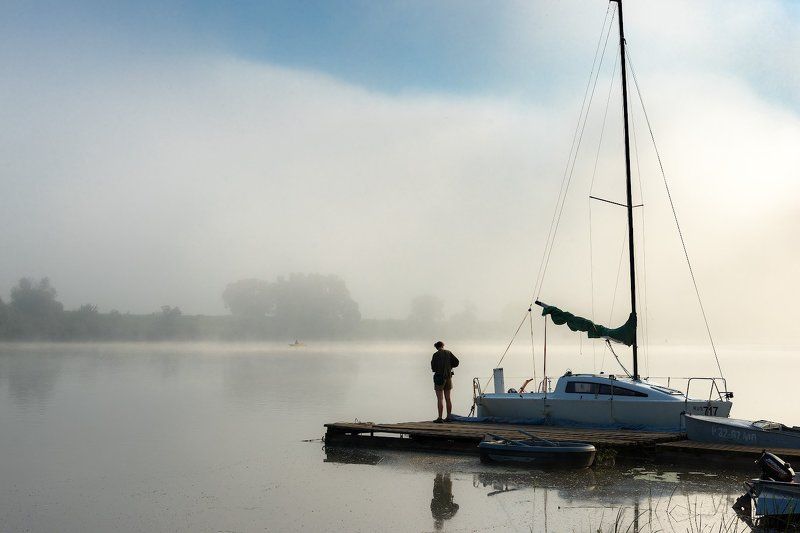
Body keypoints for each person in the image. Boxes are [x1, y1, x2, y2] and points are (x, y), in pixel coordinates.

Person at [430, 340, 459, 423]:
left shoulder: (435, 355)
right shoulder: (449, 353)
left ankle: (440, 418)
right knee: (448, 398)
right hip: (449, 377)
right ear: (443, 345)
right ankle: (449, 417)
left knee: (440, 399)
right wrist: (449, 366)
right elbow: (457, 362)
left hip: (439, 378)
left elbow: (433, 367)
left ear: (436, 347)